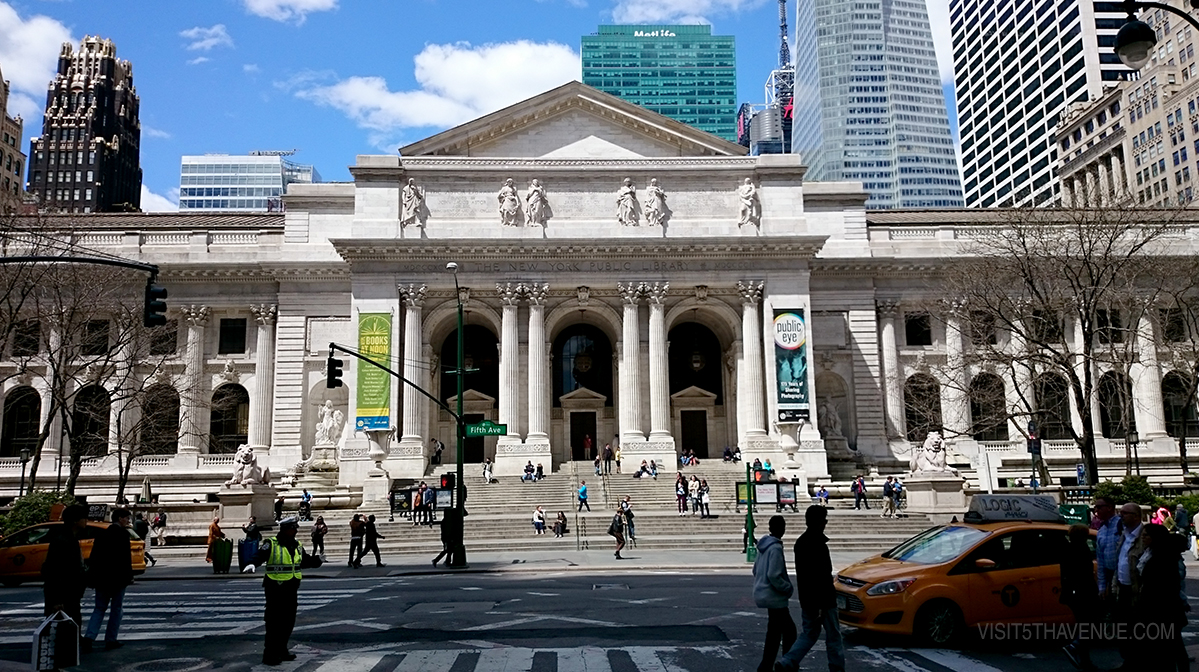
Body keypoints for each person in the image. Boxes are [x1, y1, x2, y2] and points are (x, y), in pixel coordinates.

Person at [775, 505, 845, 672]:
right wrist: (821, 604)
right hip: (823, 600)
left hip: (807, 598)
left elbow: (806, 576)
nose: (825, 523)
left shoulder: (801, 542)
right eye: (824, 520)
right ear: (819, 521)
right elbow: (821, 575)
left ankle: (788, 661)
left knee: (809, 633)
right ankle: (837, 668)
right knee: (833, 636)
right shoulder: (817, 543)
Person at [251, 517, 323, 666]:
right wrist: (252, 563)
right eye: (293, 527)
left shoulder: (297, 545)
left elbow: (304, 561)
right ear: (286, 529)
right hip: (275, 588)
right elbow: (260, 556)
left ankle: (282, 649)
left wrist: (318, 561)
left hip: (291, 588)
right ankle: (269, 654)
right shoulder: (271, 543)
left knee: (288, 622)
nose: (296, 530)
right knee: (274, 623)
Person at [1137, 523, 1189, 671]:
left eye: (1146, 535)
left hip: (1164, 610)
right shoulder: (1149, 553)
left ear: (1155, 537)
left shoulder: (1165, 557)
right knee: (1169, 647)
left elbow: (1169, 586)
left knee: (1170, 648)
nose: (1143, 537)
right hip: (1157, 608)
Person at [82, 508, 134, 652]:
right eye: (127, 518)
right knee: (116, 609)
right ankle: (111, 639)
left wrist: (93, 576)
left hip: (102, 578)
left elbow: (94, 557)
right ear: (120, 518)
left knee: (99, 608)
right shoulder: (123, 534)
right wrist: (129, 576)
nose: (128, 521)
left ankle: (89, 637)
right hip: (118, 578)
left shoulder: (102, 534)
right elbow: (125, 558)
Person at [753, 515, 795, 672]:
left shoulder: (763, 546)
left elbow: (755, 570)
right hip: (775, 597)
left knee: (774, 632)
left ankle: (766, 665)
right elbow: (774, 575)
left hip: (764, 594)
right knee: (790, 632)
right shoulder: (775, 548)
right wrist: (787, 588)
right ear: (781, 528)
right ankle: (786, 663)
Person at [43, 504, 89, 631]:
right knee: (64, 632)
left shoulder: (70, 538)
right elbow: (54, 570)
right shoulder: (62, 540)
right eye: (84, 518)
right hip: (64, 596)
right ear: (75, 521)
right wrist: (56, 600)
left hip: (71, 593)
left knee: (71, 629)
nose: (86, 521)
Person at [1111, 503, 1147, 667]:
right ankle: (1128, 661)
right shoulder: (1123, 535)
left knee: (1138, 630)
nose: (1121, 516)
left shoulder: (1145, 536)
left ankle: (1138, 662)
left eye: (1125, 513)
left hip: (1138, 592)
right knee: (1123, 629)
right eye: (1121, 513)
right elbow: (1119, 562)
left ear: (1137, 516)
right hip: (1122, 589)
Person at [1060, 523, 1098, 671]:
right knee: (1089, 622)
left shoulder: (1067, 549)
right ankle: (1076, 646)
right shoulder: (1081, 549)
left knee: (1084, 622)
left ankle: (1083, 658)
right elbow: (1084, 573)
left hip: (1073, 592)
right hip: (1083, 591)